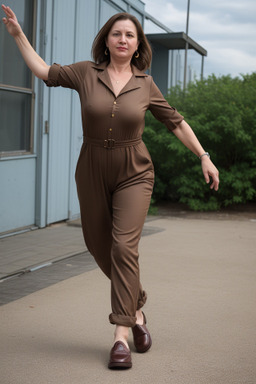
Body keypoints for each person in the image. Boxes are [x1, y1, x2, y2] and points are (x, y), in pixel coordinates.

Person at [2, 4, 219, 370]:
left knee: (123, 246)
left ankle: (120, 335)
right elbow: (43, 71)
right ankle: (137, 311)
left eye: (130, 35)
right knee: (97, 243)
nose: (123, 39)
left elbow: (176, 123)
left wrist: (203, 156)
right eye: (116, 33)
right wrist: (18, 35)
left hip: (134, 170)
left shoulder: (145, 83)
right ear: (107, 39)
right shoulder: (86, 73)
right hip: (91, 169)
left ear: (138, 45)